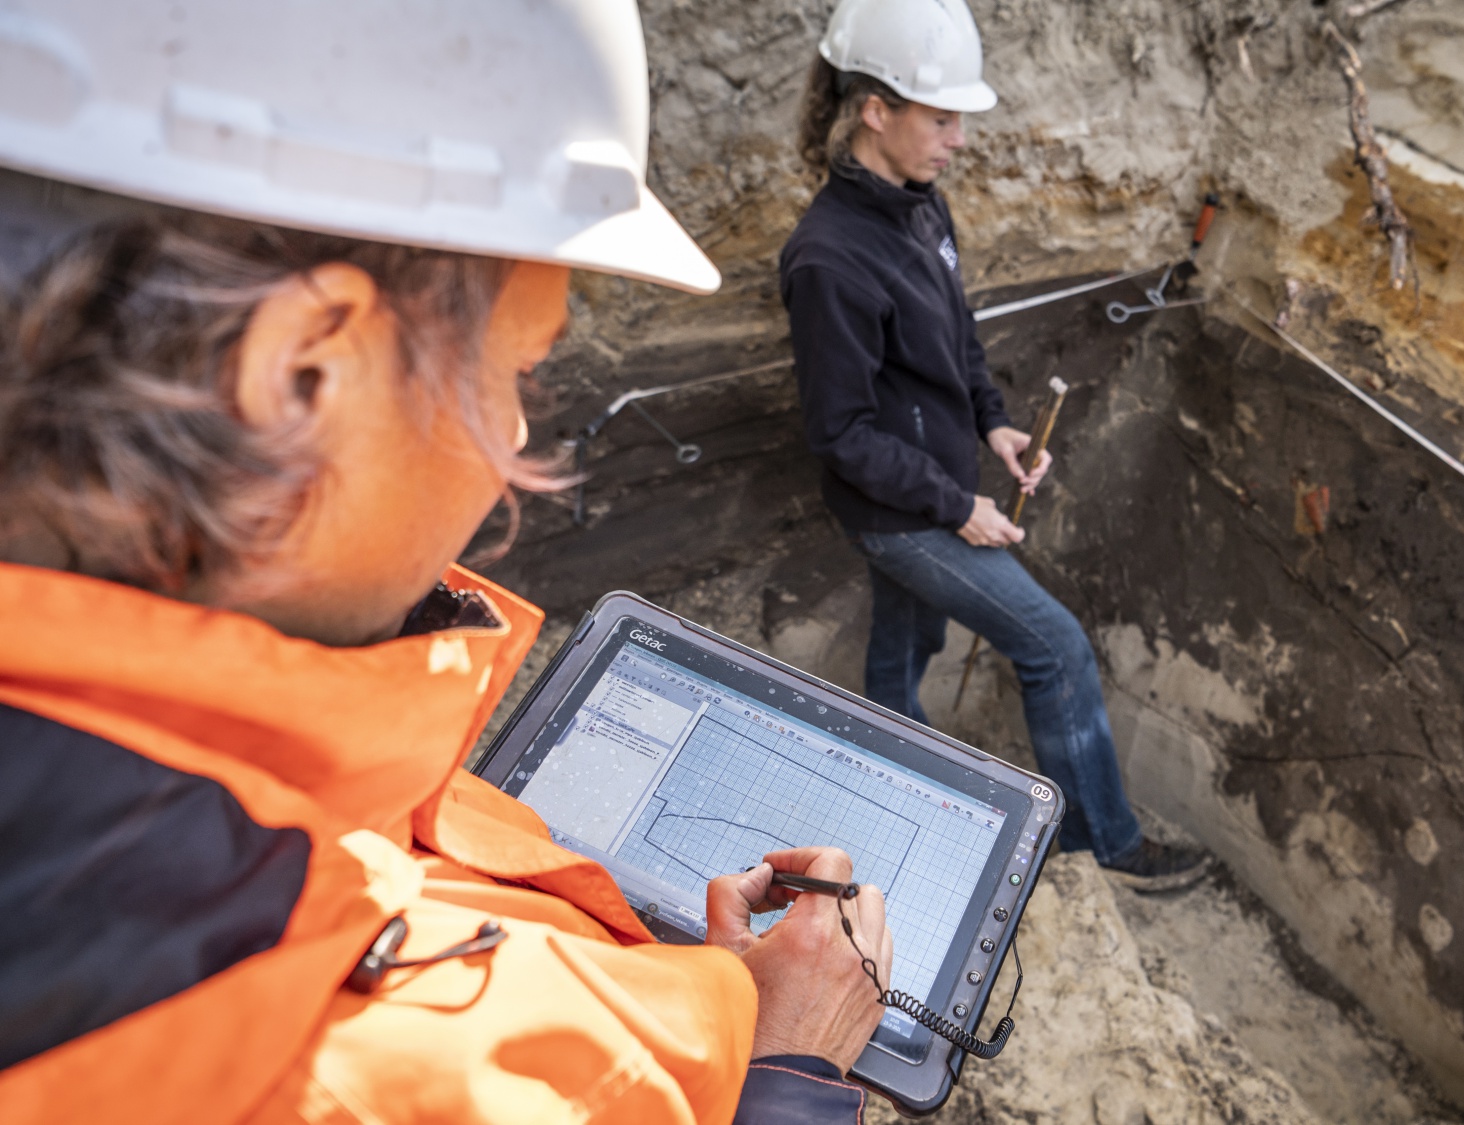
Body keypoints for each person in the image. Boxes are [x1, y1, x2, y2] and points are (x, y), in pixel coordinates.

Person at [0, 2, 884, 1121]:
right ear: (304, 375)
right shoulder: (346, 1083)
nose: (512, 438)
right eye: (517, 365)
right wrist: (785, 1073)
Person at [779, 0, 1210, 891]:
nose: (960, 140)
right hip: (900, 513)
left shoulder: (921, 206)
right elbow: (840, 432)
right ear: (875, 111)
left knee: (903, 647)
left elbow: (957, 336)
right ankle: (1107, 845)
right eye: (942, 119)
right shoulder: (829, 259)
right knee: (1054, 646)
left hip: (938, 481)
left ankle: (884, 789)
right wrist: (957, 507)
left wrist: (992, 423)